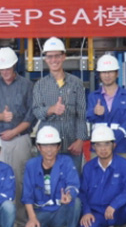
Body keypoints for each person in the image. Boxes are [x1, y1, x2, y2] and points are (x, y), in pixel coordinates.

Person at [0, 46, 35, 227]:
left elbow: (31, 115)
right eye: (1, 69)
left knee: (20, 182)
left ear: (14, 66)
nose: (5, 72)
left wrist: (14, 131)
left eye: (8, 68)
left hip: (20, 139)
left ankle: (22, 224)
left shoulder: (27, 85)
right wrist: (1, 117)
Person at [21, 126, 82, 227]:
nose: (49, 150)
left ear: (58, 147)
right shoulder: (31, 165)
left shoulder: (66, 161)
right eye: (45, 146)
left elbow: (73, 184)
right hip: (41, 212)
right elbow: (27, 195)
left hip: (60, 210)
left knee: (75, 202)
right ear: (38, 147)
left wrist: (69, 195)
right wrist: (32, 218)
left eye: (53, 145)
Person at [32, 37, 88, 174]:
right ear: (45, 59)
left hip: (72, 144)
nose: (54, 60)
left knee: (72, 180)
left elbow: (82, 114)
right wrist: (51, 109)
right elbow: (37, 111)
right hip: (48, 146)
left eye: (57, 56)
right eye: (50, 56)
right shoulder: (40, 85)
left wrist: (80, 140)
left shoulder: (76, 83)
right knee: (48, 180)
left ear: (64, 57)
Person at [86, 54, 126, 158]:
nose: (107, 75)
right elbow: (88, 117)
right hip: (98, 147)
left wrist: (112, 142)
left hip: (120, 146)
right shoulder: (93, 96)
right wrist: (95, 112)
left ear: (117, 73)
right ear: (99, 74)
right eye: (104, 72)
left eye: (110, 72)